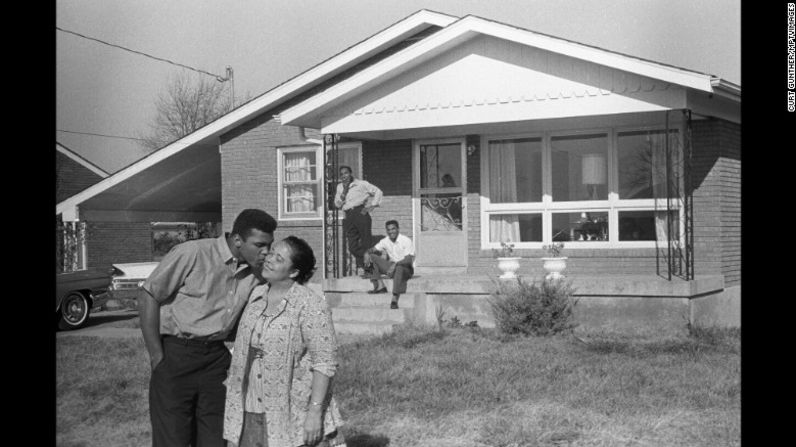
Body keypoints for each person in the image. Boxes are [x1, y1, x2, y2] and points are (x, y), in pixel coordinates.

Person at [139, 209, 277, 447]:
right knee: (173, 439)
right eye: (259, 245)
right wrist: (156, 356)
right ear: (237, 240)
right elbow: (148, 295)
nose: (266, 252)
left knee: (215, 439)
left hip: (216, 361)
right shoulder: (193, 253)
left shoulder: (257, 273)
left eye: (269, 245)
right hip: (176, 357)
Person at [224, 236, 346, 447]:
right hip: (251, 406)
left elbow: (324, 363)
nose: (269, 259)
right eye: (271, 253)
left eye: (278, 258)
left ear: (294, 272)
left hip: (294, 411)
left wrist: (315, 412)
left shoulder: (310, 305)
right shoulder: (256, 295)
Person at [333, 165, 383, 276]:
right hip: (348, 216)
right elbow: (337, 204)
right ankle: (375, 256)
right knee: (352, 247)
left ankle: (369, 271)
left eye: (346, 173)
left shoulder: (361, 184)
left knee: (366, 242)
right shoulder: (340, 187)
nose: (344, 176)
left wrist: (371, 206)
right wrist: (344, 192)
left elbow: (378, 191)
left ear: (351, 173)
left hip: (361, 213)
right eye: (341, 174)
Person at [363, 220, 415, 309]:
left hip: (406, 269)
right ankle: (380, 286)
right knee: (371, 256)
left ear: (398, 229)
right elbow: (373, 249)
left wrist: (395, 265)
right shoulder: (385, 241)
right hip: (392, 268)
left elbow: (408, 260)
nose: (391, 231)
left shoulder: (406, 240)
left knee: (399, 267)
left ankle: (395, 297)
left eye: (393, 229)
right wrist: (366, 253)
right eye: (388, 230)